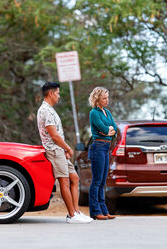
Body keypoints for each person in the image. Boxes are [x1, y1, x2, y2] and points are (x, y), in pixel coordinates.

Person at [37, 82, 92, 224]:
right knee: (64, 181)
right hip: (54, 150)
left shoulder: (50, 109)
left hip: (59, 150)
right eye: (57, 93)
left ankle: (77, 212)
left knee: (75, 178)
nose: (59, 96)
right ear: (51, 94)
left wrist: (64, 149)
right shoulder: (46, 111)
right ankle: (72, 215)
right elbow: (54, 136)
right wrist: (67, 148)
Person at [88, 87, 117, 220]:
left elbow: (114, 129)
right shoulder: (94, 113)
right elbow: (104, 129)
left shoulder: (107, 112)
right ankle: (95, 211)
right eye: (104, 98)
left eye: (107, 97)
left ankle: (104, 210)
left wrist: (109, 131)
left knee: (103, 181)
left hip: (106, 147)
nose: (107, 100)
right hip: (98, 146)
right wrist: (107, 130)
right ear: (97, 99)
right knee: (97, 181)